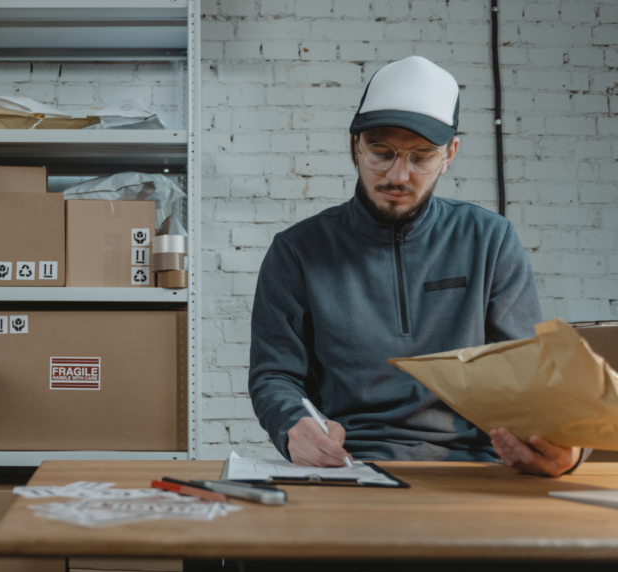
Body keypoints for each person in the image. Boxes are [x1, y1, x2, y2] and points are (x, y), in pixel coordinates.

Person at [248, 56, 586, 478]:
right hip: (350, 465)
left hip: (475, 467)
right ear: (355, 145)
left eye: (421, 157)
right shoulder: (296, 250)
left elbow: (532, 375)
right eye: (380, 153)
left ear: (450, 154)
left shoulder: (490, 240)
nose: (398, 174)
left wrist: (567, 449)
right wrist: (290, 426)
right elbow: (275, 374)